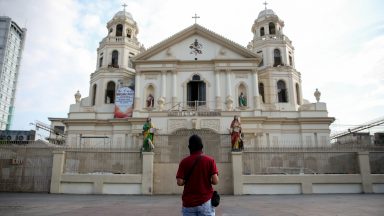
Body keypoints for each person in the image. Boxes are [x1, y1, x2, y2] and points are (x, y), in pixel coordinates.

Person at [176, 135, 219, 216]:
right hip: (205, 202)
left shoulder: (184, 162)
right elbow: (215, 181)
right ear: (202, 147)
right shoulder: (210, 160)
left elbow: (179, 182)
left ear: (189, 147)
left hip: (189, 203)